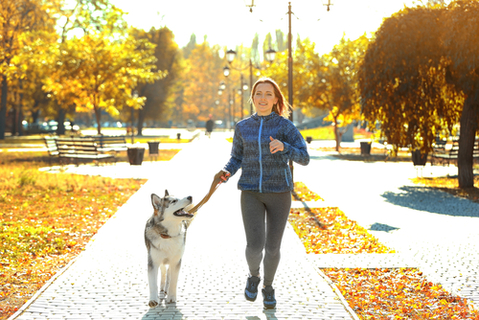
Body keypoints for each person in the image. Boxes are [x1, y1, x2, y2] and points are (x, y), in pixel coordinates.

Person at [215, 77, 310, 309]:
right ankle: (253, 276)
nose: (263, 98)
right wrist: (226, 171)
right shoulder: (242, 127)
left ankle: (268, 287)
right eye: (259, 94)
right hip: (251, 192)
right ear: (253, 98)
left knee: (273, 247)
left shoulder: (285, 127)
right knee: (254, 246)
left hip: (279, 193)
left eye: (269, 94)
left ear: (276, 99)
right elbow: (236, 157)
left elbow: (304, 157)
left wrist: (285, 148)